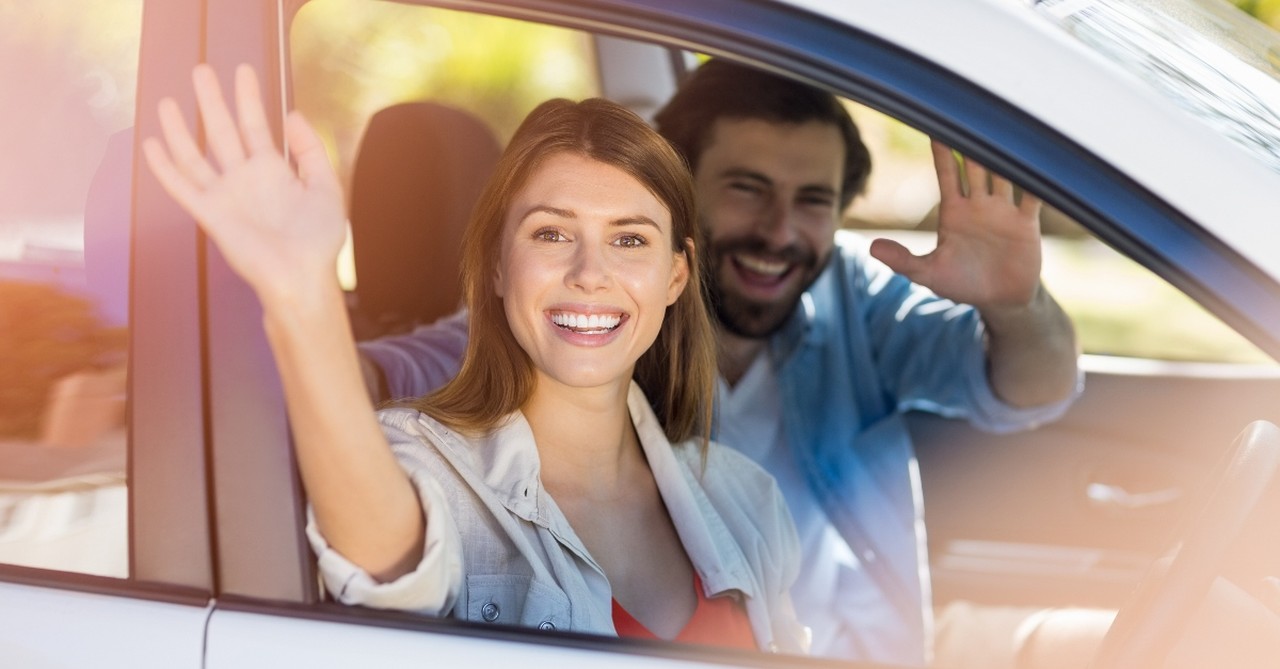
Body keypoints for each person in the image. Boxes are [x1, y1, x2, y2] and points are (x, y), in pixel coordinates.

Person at [358, 59, 1082, 666]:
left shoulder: (854, 299)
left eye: (813, 201)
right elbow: (383, 379)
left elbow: (1033, 389)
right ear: (673, 194)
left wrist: (1014, 305)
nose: (778, 231)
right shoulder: (578, 324)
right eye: (746, 189)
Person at [142, 63, 808, 652]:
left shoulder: (746, 497)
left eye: (629, 240)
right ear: (495, 265)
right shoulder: (425, 463)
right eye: (551, 232)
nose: (589, 272)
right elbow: (389, 561)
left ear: (675, 276)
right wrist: (300, 291)